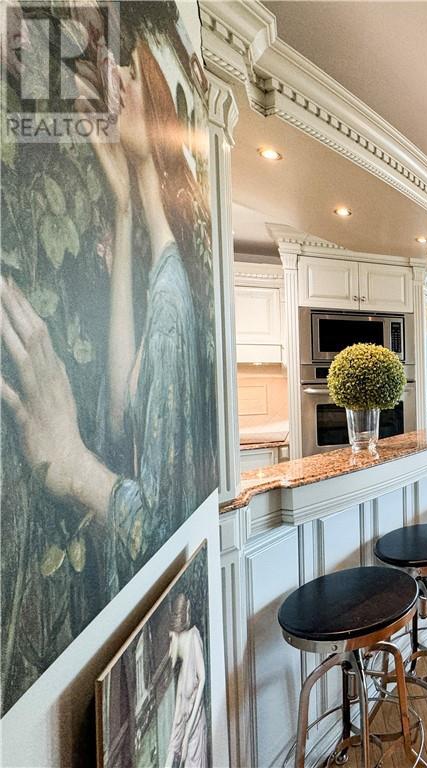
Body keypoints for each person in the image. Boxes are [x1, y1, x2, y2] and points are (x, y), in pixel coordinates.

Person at [0, 37, 214, 595]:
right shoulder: (165, 277)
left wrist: (73, 462)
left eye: (132, 74)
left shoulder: (172, 299)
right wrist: (122, 207)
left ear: (160, 116)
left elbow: (161, 528)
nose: (115, 76)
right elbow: (120, 412)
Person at [164, 593, 208, 768]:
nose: (169, 652)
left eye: (170, 641)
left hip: (195, 733)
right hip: (188, 740)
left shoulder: (192, 636)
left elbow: (203, 679)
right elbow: (175, 735)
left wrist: (188, 732)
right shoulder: (181, 680)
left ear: (175, 635)